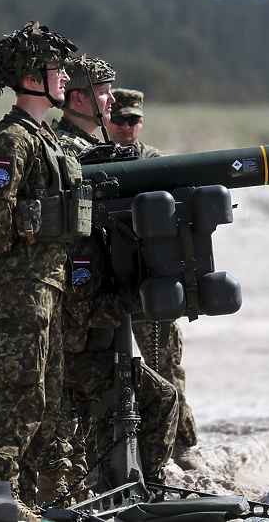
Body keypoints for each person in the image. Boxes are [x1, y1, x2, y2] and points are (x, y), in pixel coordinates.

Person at [36, 59, 178, 504]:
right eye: (103, 91)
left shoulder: (94, 145)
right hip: (77, 320)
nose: (113, 102)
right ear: (77, 97)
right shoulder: (61, 149)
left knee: (155, 393)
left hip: (100, 316)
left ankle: (135, 487)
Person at [0, 21, 87, 522]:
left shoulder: (47, 139)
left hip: (50, 281)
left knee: (47, 394)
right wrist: (22, 249)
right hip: (24, 285)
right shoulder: (12, 140)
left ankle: (32, 496)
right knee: (20, 389)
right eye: (54, 69)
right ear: (29, 78)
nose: (64, 77)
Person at [106, 88, 199, 471]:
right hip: (109, 278)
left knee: (166, 364)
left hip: (151, 279)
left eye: (133, 121)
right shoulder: (95, 160)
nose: (126, 127)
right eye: (119, 120)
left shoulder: (155, 163)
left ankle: (181, 442)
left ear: (141, 122)